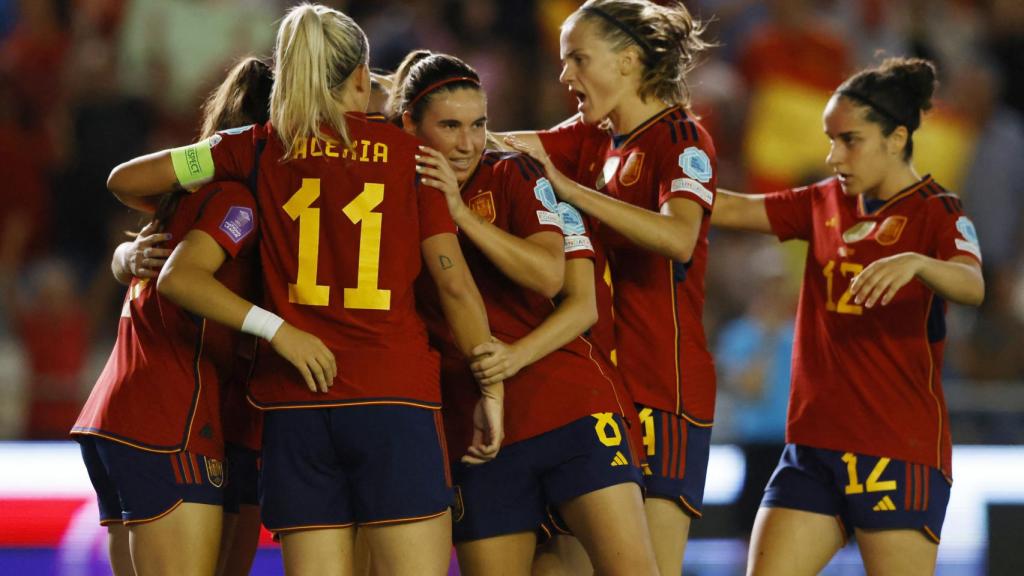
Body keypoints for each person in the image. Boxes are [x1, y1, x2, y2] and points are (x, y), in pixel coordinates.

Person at [104, 5, 503, 576]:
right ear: (362, 78)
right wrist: (491, 390)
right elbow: (455, 286)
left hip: (295, 408)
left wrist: (186, 204)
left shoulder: (256, 147)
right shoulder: (410, 156)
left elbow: (126, 179)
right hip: (392, 399)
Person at [710, 57, 984, 575]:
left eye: (849, 139)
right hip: (811, 451)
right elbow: (731, 208)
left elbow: (972, 284)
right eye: (830, 139)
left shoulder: (937, 211)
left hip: (895, 450)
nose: (833, 155)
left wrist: (919, 262)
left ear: (897, 137)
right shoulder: (823, 202)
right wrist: (645, 176)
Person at [393, 50, 656, 576]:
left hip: (567, 407)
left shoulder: (513, 173)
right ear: (409, 126)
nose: (468, 143)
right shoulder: (388, 192)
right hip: (477, 430)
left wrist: (461, 215)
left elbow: (548, 276)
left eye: (479, 125)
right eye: (450, 126)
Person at [503, 0, 717, 572]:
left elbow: (678, 238)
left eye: (578, 58)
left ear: (627, 61)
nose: (564, 75)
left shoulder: (682, 138)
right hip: (600, 393)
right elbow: (497, 145)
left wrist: (571, 191)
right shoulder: (593, 138)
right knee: (556, 564)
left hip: (661, 392)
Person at [107, 56, 273, 576]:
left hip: (135, 410)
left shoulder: (187, 195)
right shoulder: (235, 195)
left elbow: (126, 188)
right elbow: (179, 276)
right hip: (186, 416)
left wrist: (123, 257)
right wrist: (281, 332)